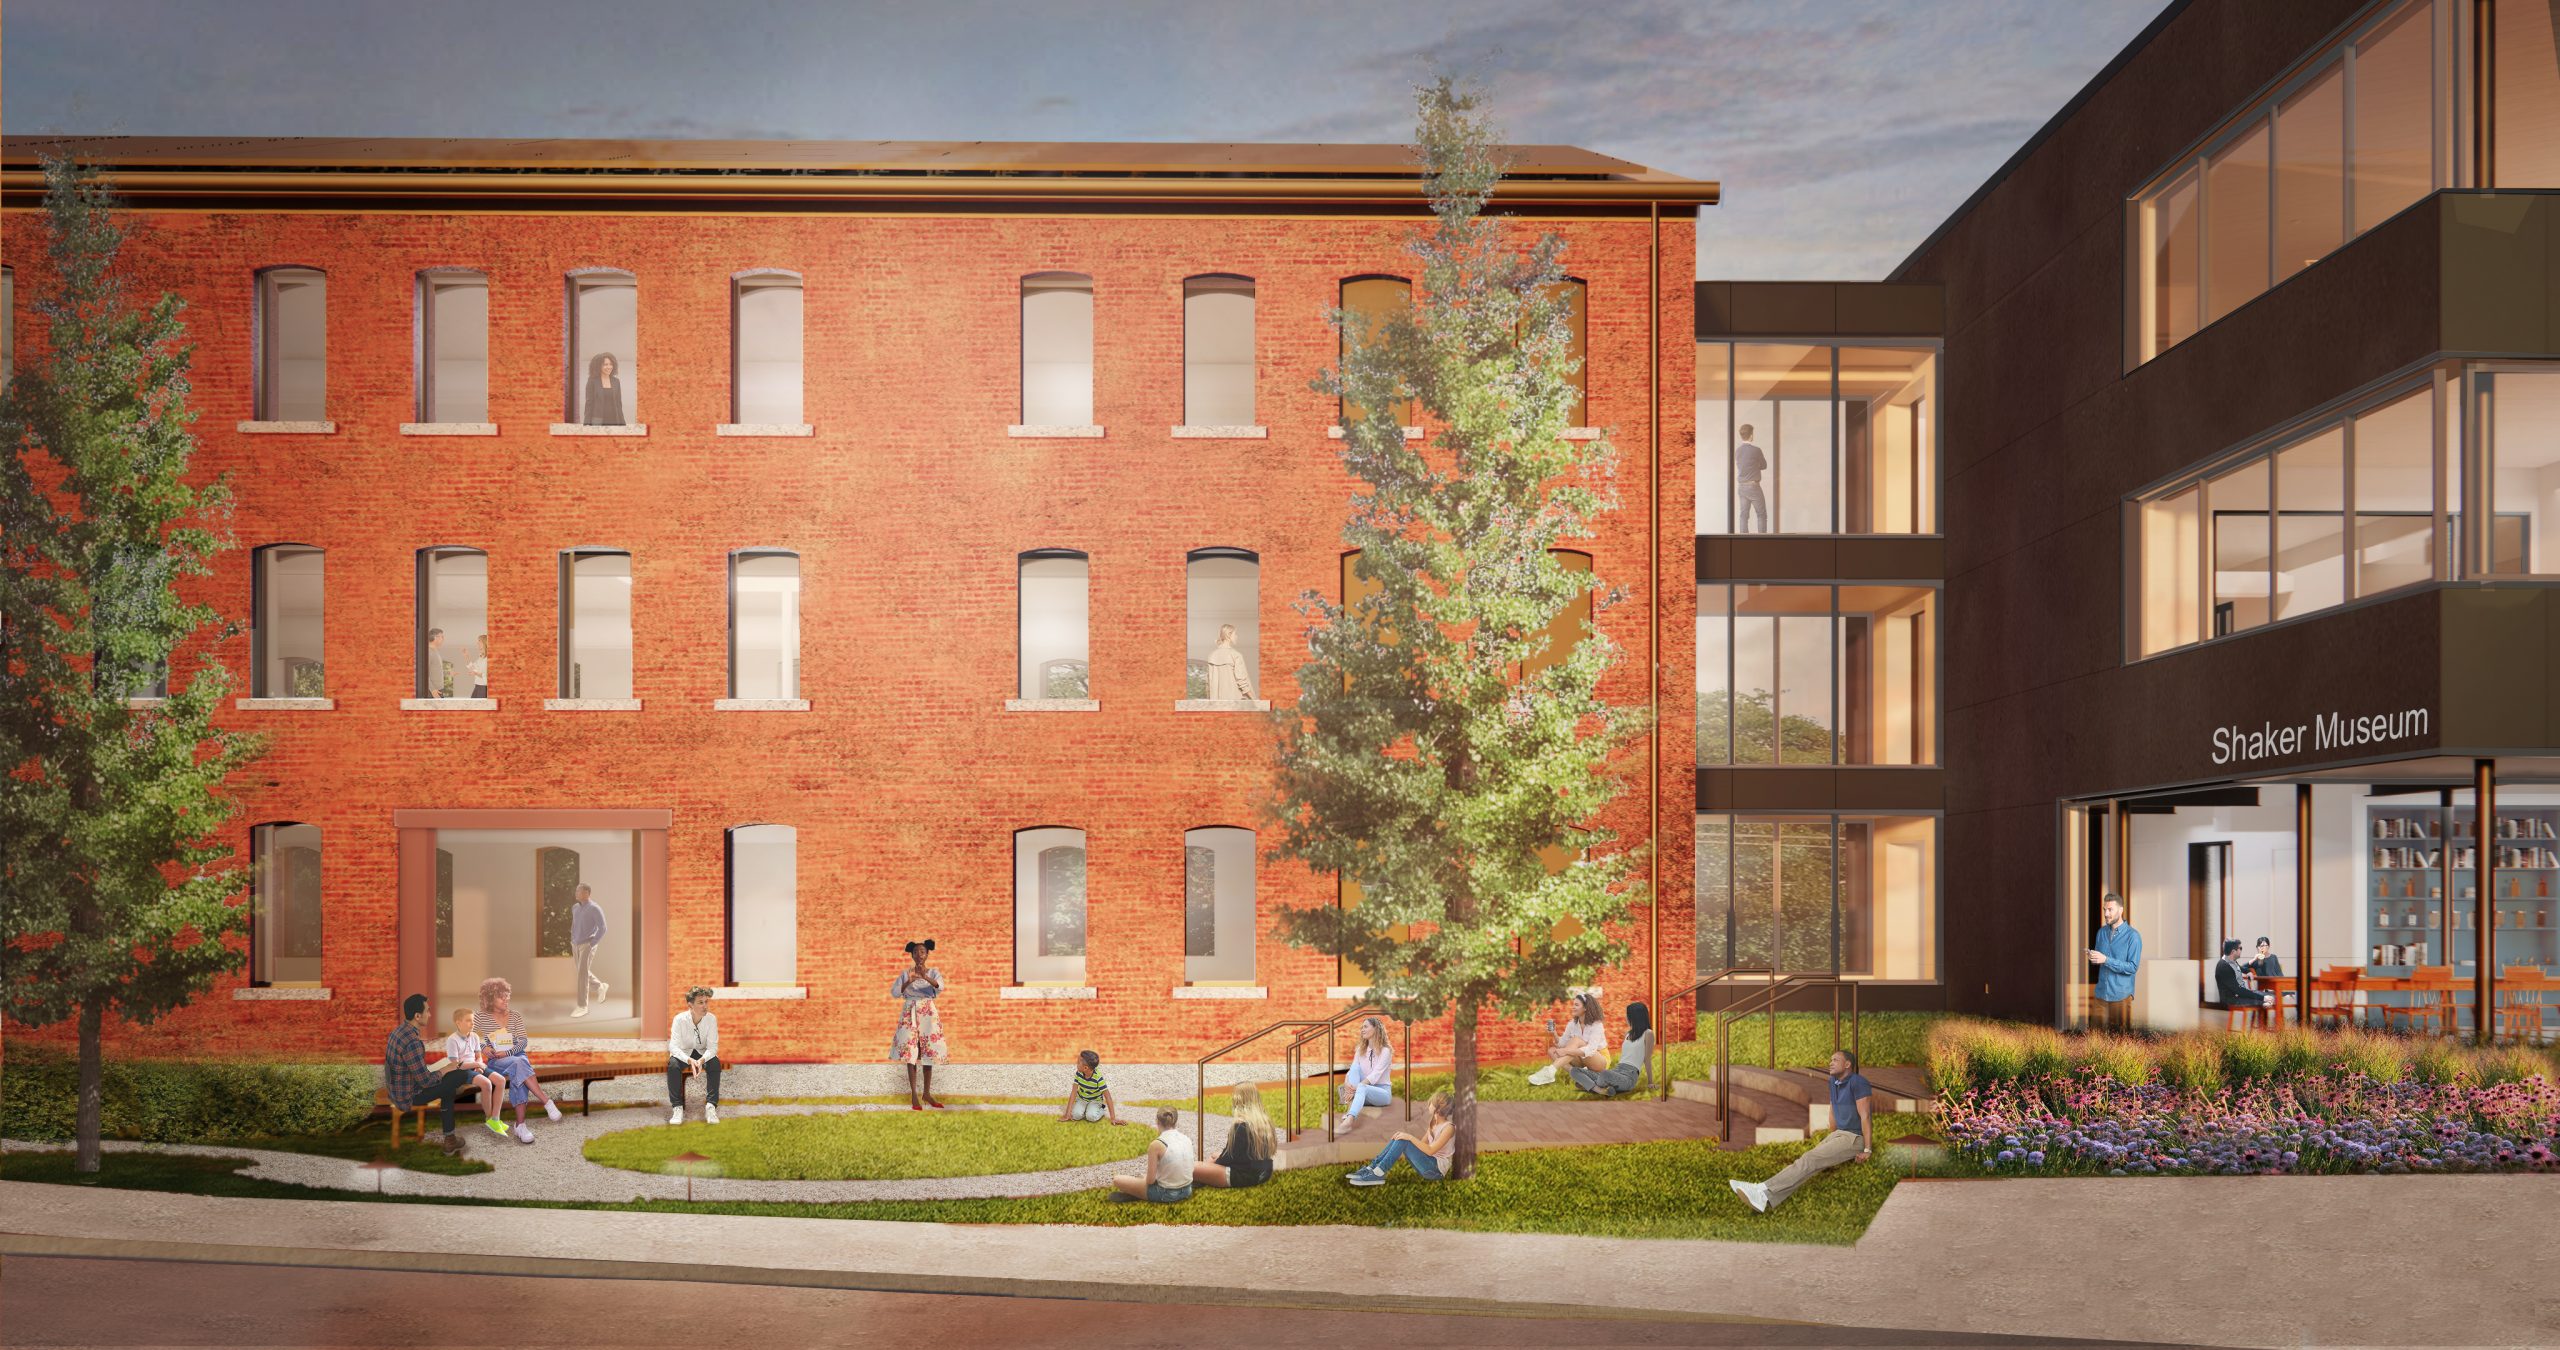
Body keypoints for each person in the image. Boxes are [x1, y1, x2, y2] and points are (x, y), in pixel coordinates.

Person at [1731, 1048, 1874, 1213]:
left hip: (1854, 1137)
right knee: (1809, 1164)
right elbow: (1833, 1110)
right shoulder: (1833, 1082)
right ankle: (1765, 1199)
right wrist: (1832, 1136)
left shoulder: (1858, 1082)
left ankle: (1761, 1188)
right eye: (1830, 1059)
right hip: (1840, 1135)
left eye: (1835, 1060)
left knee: (1809, 1159)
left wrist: (1867, 1149)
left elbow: (1865, 1116)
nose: (1830, 1063)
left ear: (1847, 1064)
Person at [473, 978, 562, 1142]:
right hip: (496, 1061)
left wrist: (509, 1052)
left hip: (516, 1055)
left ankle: (520, 1126)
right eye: (502, 997)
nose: (507, 999)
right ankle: (546, 1102)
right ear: (490, 999)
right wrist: (483, 1047)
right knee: (521, 1065)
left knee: (519, 1068)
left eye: (508, 996)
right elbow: (467, 1036)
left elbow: (523, 1041)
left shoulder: (515, 1016)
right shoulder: (480, 1016)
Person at [384, 994, 471, 1155]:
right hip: (408, 1096)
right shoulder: (412, 1043)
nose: (430, 1015)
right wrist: (445, 1069)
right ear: (418, 1016)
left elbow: (414, 1069)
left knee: (449, 1086)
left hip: (397, 1089)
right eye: (428, 1011)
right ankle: (450, 1139)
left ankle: (450, 1139)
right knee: (459, 1075)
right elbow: (425, 1081)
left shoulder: (399, 1031)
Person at [1346, 1088, 1455, 1185]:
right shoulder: (1434, 1123)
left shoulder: (1448, 1128)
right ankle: (1372, 1168)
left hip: (1436, 1171)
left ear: (1438, 1107)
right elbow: (1421, 1146)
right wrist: (1404, 1136)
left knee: (1404, 1139)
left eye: (1432, 1102)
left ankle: (1378, 1173)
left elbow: (1430, 1150)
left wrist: (1409, 1137)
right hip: (1429, 1165)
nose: (1429, 1104)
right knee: (1400, 1137)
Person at [890, 939, 948, 1109]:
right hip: (910, 1012)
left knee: (928, 1050)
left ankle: (927, 1093)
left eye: (922, 952)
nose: (919, 955)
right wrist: (908, 981)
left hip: (928, 1012)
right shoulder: (905, 973)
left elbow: (940, 987)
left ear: (927, 954)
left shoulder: (934, 972)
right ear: (912, 955)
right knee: (911, 1052)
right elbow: (894, 992)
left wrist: (925, 977)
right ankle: (914, 1095)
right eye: (915, 952)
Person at [1194, 1082, 1276, 1189]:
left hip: (1244, 1177)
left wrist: (1212, 1166)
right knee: (1214, 1155)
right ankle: (1200, 1181)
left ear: (1239, 1099)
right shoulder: (1265, 1122)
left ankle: (1197, 1181)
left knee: (1193, 1167)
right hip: (1264, 1173)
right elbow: (1239, 1154)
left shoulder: (1241, 1126)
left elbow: (1229, 1158)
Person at [1568, 1001, 1654, 1097]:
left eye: (1628, 1015)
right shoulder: (1628, 1034)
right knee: (1574, 1071)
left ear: (1635, 1017)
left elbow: (1647, 1059)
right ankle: (1599, 1089)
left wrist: (1650, 1082)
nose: (1626, 1017)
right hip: (1616, 1071)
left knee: (1604, 1074)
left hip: (1629, 1076)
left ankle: (1588, 1085)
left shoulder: (1648, 1033)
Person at [443, 1006, 506, 1135]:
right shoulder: (452, 1040)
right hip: (462, 1071)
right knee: (486, 1083)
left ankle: (495, 1118)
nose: (472, 1023)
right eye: (468, 1021)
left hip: (475, 1066)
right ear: (458, 1022)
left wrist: (479, 1065)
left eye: (473, 1020)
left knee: (501, 1080)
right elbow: (456, 1064)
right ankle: (489, 1118)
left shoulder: (475, 1037)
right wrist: (476, 1064)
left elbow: (478, 1056)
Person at [1110, 1107, 1195, 1203]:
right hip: (1187, 1190)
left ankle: (1137, 1194)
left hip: (1166, 1193)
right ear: (1175, 1122)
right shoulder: (1186, 1139)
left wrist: (1145, 1179)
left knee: (1117, 1180)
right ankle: (1138, 1192)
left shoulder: (1156, 1144)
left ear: (1157, 1122)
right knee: (1143, 1178)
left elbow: (1150, 1181)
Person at [1526, 992, 1610, 1086]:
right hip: (1581, 1059)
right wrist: (1554, 1033)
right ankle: (1579, 1077)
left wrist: (1566, 1050)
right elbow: (1562, 1044)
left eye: (1576, 1005)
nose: (1573, 1007)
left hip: (1599, 1060)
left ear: (1585, 1008)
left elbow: (1591, 1050)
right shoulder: (1572, 1024)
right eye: (1573, 1004)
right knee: (1552, 1051)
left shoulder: (1597, 1025)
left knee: (1576, 1040)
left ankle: (1550, 1071)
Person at [2086, 892, 2142, 1033]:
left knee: (2120, 1041)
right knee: (2094, 1039)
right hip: (2101, 995)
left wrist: (2106, 960)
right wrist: (2093, 957)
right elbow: (2100, 961)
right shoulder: (2101, 933)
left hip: (2121, 997)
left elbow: (2132, 967)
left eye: (2110, 909)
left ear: (2121, 910)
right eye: (2105, 909)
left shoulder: (2133, 936)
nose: (2106, 913)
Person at [667, 985, 721, 1125]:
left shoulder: (711, 1019)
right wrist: (689, 1060)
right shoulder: (679, 1019)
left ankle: (711, 1106)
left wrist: (702, 1060)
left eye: (706, 1002)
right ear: (690, 1005)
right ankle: (677, 1107)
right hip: (685, 1054)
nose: (705, 1006)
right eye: (700, 1002)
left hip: (702, 1053)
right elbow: (673, 1046)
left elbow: (713, 1047)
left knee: (715, 1063)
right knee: (673, 1065)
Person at [1338, 1016, 1393, 1125]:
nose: (1362, 1030)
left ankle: (1350, 1119)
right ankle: (1350, 1107)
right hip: (1362, 1091)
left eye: (1365, 1027)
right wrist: (1346, 1082)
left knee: (1362, 1087)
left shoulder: (1385, 1051)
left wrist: (1357, 1087)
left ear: (1376, 1028)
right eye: (1361, 1027)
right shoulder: (1360, 1050)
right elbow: (1352, 1070)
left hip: (1382, 1094)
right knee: (1355, 1068)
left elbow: (1376, 1074)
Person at [568, 884, 609, 1017]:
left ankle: (582, 1006)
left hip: (587, 944)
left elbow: (603, 928)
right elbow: (574, 925)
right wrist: (572, 939)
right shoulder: (575, 907)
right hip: (575, 944)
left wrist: (592, 943)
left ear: (586, 893)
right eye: (576, 891)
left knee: (582, 974)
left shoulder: (595, 908)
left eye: (578, 891)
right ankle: (600, 987)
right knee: (582, 972)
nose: (576, 893)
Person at [1058, 1049, 1121, 1124]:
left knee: (1091, 1117)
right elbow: (1074, 1091)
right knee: (1075, 1115)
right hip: (1082, 1099)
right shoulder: (1079, 1073)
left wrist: (1113, 1118)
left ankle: (1101, 1109)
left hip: (1095, 1100)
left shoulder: (1098, 1078)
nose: (1076, 1064)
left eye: (1078, 1063)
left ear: (1085, 1068)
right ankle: (1085, 1109)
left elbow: (1108, 1097)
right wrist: (1067, 1114)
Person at [2216, 938, 2272, 1021]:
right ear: (2233, 951)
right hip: (2233, 999)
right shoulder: (2224, 967)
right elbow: (2238, 990)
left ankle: (2261, 1029)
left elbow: (2241, 968)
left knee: (2270, 997)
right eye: (2240, 948)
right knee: (2267, 1001)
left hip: (2239, 994)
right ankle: (2262, 1030)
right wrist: (2263, 998)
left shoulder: (2232, 961)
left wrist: (2248, 971)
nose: (2241, 950)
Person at [1734, 422, 1769, 533]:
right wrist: (1756, 465)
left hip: (1741, 487)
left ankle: (1743, 541)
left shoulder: (1737, 451)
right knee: (1761, 514)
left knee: (1744, 515)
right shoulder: (1756, 450)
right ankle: (1762, 541)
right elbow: (1764, 465)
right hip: (1753, 486)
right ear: (1751, 435)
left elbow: (1742, 465)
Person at [1205, 623, 1254, 701]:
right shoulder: (1235, 655)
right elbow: (1241, 681)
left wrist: (1210, 702)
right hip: (1234, 703)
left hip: (1216, 704)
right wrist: (1254, 699)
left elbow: (1208, 684)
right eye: (1235, 634)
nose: (1236, 636)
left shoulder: (1211, 655)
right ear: (1228, 635)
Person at [582, 352, 625, 427]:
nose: (609, 367)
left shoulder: (616, 381)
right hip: (597, 421)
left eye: (611, 364)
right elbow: (589, 403)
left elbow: (618, 404)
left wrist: (623, 424)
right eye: (605, 364)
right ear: (598, 366)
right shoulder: (592, 381)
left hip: (615, 420)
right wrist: (586, 423)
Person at [423, 627, 452, 698]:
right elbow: (423, 674)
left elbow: (435, 669)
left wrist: (448, 673)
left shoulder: (435, 651)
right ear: (435, 638)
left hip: (438, 689)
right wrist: (432, 690)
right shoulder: (429, 652)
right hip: (432, 691)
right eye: (442, 637)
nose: (443, 639)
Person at [468, 634, 490, 700]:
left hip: (484, 687)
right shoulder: (481, 657)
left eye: (479, 641)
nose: (477, 643)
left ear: (485, 642)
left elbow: (487, 676)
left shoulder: (488, 658)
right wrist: (467, 656)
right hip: (477, 686)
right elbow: (473, 668)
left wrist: (475, 673)